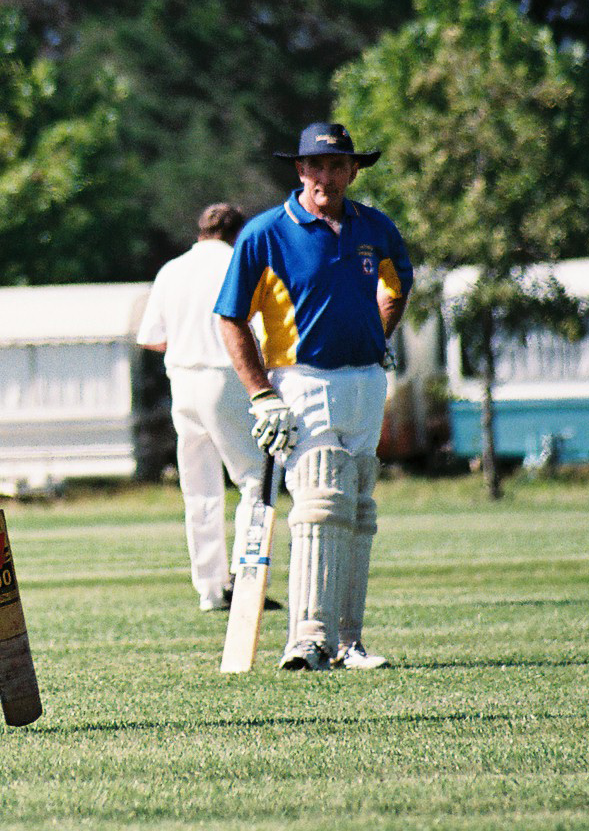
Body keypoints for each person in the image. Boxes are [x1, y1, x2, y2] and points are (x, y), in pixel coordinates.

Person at [214, 121, 413, 672]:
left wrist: (378, 337)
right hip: (302, 379)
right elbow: (229, 317)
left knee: (358, 508)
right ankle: (306, 639)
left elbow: (398, 286)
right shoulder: (266, 233)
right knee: (321, 500)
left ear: (353, 171)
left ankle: (348, 641)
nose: (326, 176)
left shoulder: (375, 227)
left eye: (337, 165)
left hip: (366, 380)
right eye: (316, 166)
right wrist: (261, 393)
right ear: (300, 170)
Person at [136, 202, 276, 612]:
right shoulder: (239, 262)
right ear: (238, 233)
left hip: (182, 381)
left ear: (200, 231)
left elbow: (151, 338)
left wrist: (186, 339)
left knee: (199, 489)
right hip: (225, 376)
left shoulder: (172, 269)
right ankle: (247, 579)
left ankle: (210, 590)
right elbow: (258, 333)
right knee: (254, 478)